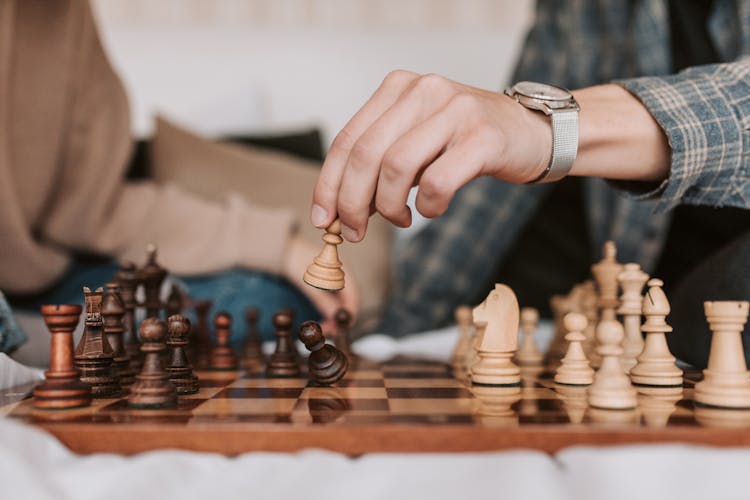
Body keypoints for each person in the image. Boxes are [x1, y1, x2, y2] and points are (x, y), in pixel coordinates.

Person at [310, 0, 750, 368]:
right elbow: (495, 176)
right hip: (633, 271)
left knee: (718, 297)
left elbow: (529, 127)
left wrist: (550, 129)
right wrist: (389, 333)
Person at [0, 0, 358, 349]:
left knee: (268, 302)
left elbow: (92, 209)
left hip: (41, 279)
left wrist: (280, 248)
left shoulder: (61, 12)